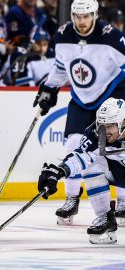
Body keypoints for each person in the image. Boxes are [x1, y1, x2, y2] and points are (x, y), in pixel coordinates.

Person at [33, 0, 125, 225]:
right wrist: (49, 88)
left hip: (112, 96)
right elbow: (61, 68)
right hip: (82, 99)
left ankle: (122, 201)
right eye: (77, 16)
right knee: (74, 146)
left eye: (86, 16)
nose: (81, 21)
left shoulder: (112, 37)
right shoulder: (63, 36)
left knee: (115, 150)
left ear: (94, 15)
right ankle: (71, 198)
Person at [37, 97, 125, 244]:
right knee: (91, 165)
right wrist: (60, 171)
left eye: (110, 126)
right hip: (118, 172)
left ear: (123, 123)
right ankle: (105, 218)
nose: (105, 131)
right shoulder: (95, 133)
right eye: (101, 125)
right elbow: (80, 156)